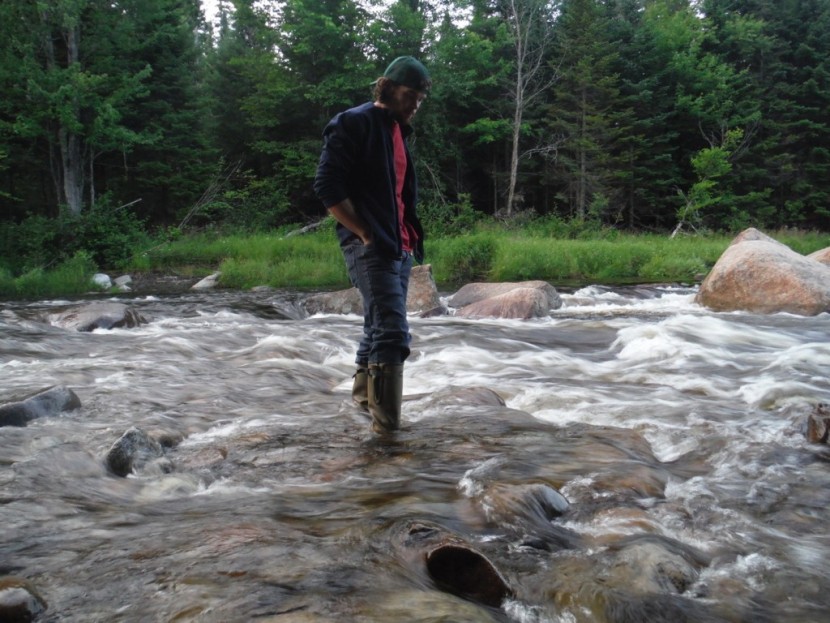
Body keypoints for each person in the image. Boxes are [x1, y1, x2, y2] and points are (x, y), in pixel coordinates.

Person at [313, 56, 430, 434]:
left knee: (376, 324)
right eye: (410, 94)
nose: (415, 104)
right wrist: (363, 233)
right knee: (393, 332)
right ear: (389, 88)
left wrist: (407, 242)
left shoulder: (398, 132)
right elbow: (328, 187)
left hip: (400, 248)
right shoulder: (354, 122)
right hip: (370, 246)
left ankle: (364, 401)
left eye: (421, 98)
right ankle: (387, 429)